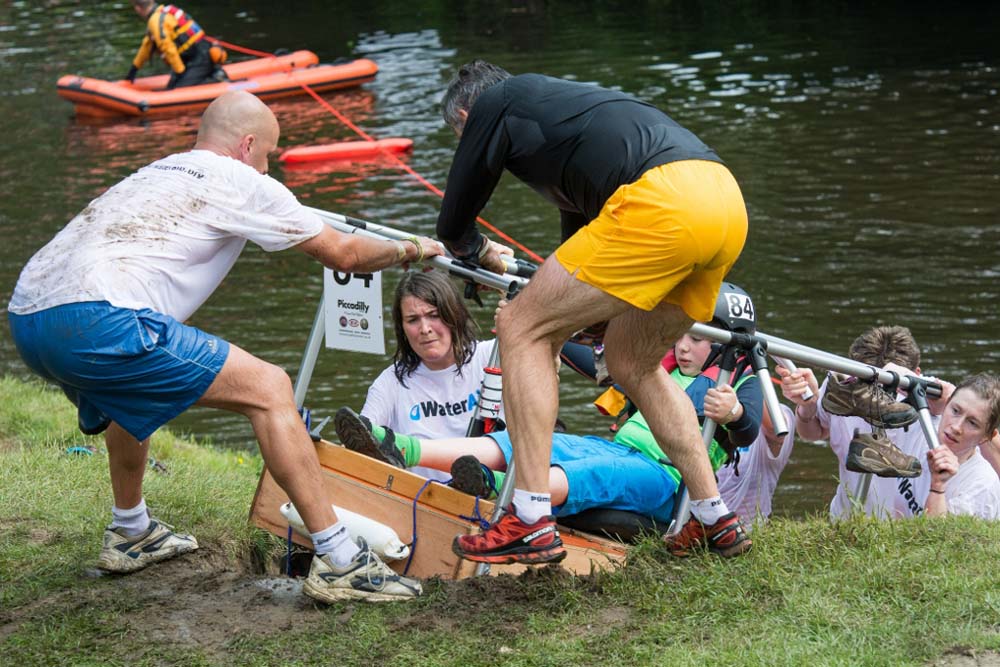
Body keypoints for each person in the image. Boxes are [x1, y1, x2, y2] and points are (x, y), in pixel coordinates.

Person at [6, 91, 443, 603]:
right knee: (270, 388)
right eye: (269, 156)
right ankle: (342, 560)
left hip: (30, 315)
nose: (268, 167)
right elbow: (343, 251)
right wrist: (413, 249)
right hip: (100, 318)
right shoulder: (243, 181)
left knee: (131, 391)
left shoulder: (159, 169)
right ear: (247, 144)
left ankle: (131, 530)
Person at [434, 60, 752, 563]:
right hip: (723, 203)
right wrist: (586, 318)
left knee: (522, 328)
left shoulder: (495, 105)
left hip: (661, 203)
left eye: (462, 135)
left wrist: (474, 251)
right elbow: (582, 245)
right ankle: (713, 517)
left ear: (469, 116)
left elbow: (453, 223)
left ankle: (531, 518)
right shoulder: (566, 113)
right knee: (633, 363)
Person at [334, 322, 763, 560]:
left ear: (722, 346)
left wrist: (735, 413)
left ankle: (503, 490)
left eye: (698, 340)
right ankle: (402, 448)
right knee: (532, 443)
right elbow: (592, 359)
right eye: (680, 336)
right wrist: (544, 330)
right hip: (616, 447)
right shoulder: (655, 366)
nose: (684, 347)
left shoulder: (737, 380)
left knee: (592, 473)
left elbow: (751, 429)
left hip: (665, 480)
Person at [778, 325, 956, 519]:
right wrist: (808, 405)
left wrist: (944, 398)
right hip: (847, 518)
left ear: (917, 373)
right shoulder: (843, 385)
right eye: (866, 384)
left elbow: (967, 405)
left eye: (881, 387)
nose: (875, 391)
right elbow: (813, 432)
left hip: (907, 525)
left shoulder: (928, 394)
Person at [359, 271, 499, 480]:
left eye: (434, 315)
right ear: (402, 328)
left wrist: (502, 285)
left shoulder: (493, 356)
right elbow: (358, 442)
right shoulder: (390, 383)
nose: (425, 329)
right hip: (426, 502)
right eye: (413, 320)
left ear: (454, 315)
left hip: (492, 498)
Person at [125, 1, 225, 89]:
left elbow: (168, 49)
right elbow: (147, 45)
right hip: (192, 57)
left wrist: (179, 72)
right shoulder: (162, 13)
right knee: (171, 88)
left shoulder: (155, 21)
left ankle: (216, 79)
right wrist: (134, 68)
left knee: (180, 90)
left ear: (138, 9)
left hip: (199, 58)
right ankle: (212, 72)